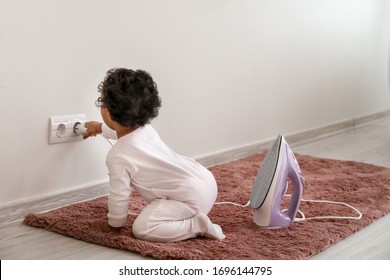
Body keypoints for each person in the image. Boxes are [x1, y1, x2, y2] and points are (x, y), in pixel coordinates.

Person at [84, 68, 225, 242]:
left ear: (107, 113)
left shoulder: (117, 157)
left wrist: (113, 225)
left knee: (143, 228)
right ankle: (193, 215)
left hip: (190, 201)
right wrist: (98, 128)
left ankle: (197, 224)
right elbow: (122, 133)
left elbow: (119, 196)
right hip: (207, 182)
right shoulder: (146, 130)